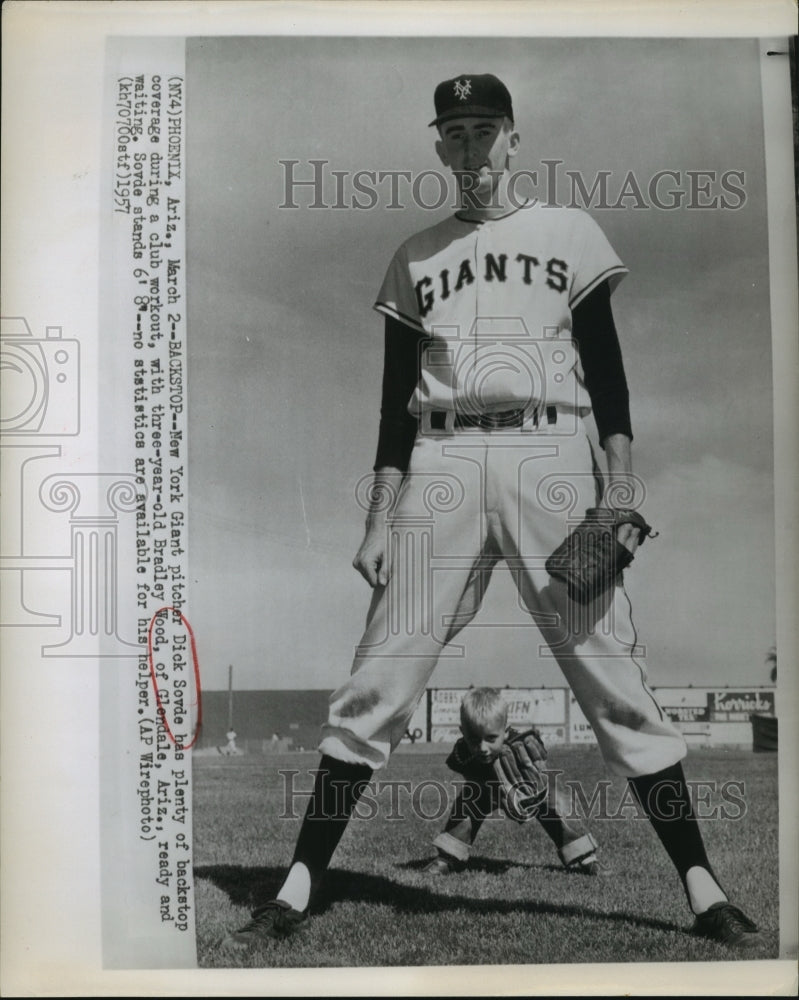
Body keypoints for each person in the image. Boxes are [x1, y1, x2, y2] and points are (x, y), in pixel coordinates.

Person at [225, 73, 760, 950]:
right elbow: (395, 400)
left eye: (484, 129)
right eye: (454, 133)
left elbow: (609, 372)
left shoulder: (569, 232)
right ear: (438, 147)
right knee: (380, 671)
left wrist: (618, 486)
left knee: (608, 668)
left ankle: (703, 888)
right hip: (439, 457)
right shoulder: (415, 253)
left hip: (551, 446)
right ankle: (295, 883)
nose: (470, 148)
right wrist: (376, 521)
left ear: (513, 138)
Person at [422, 688, 606, 878]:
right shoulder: (463, 750)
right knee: (466, 803)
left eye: (491, 738)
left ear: (506, 731)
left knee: (554, 806)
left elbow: (540, 761)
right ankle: (447, 857)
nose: (483, 748)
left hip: (527, 790)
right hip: (485, 791)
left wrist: (539, 776)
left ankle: (586, 857)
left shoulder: (521, 745)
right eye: (474, 739)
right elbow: (458, 763)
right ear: (463, 732)